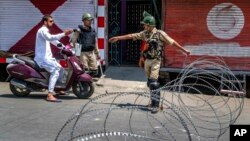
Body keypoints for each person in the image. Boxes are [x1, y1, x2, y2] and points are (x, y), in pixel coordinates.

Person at [109, 11, 190, 113]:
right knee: (150, 83)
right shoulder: (144, 34)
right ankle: (153, 101)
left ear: (150, 25)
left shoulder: (160, 34)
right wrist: (118, 38)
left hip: (156, 60)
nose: (144, 27)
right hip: (147, 61)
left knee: (153, 83)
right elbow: (131, 36)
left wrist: (184, 50)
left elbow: (172, 42)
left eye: (145, 25)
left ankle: (155, 105)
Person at [34, 14, 72, 102]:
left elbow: (54, 41)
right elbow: (50, 38)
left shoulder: (46, 31)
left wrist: (65, 48)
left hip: (47, 58)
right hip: (42, 58)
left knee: (61, 69)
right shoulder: (42, 30)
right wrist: (64, 34)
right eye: (50, 21)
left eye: (53, 21)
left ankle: (58, 89)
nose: (52, 23)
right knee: (55, 71)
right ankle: (50, 94)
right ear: (45, 22)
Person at [71, 13, 100, 77]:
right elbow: (73, 42)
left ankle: (89, 81)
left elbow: (95, 42)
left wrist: (97, 52)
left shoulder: (93, 30)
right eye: (88, 20)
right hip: (82, 53)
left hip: (91, 53)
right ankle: (84, 84)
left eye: (91, 20)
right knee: (85, 70)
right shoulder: (78, 31)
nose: (90, 22)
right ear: (84, 21)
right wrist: (76, 54)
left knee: (94, 70)